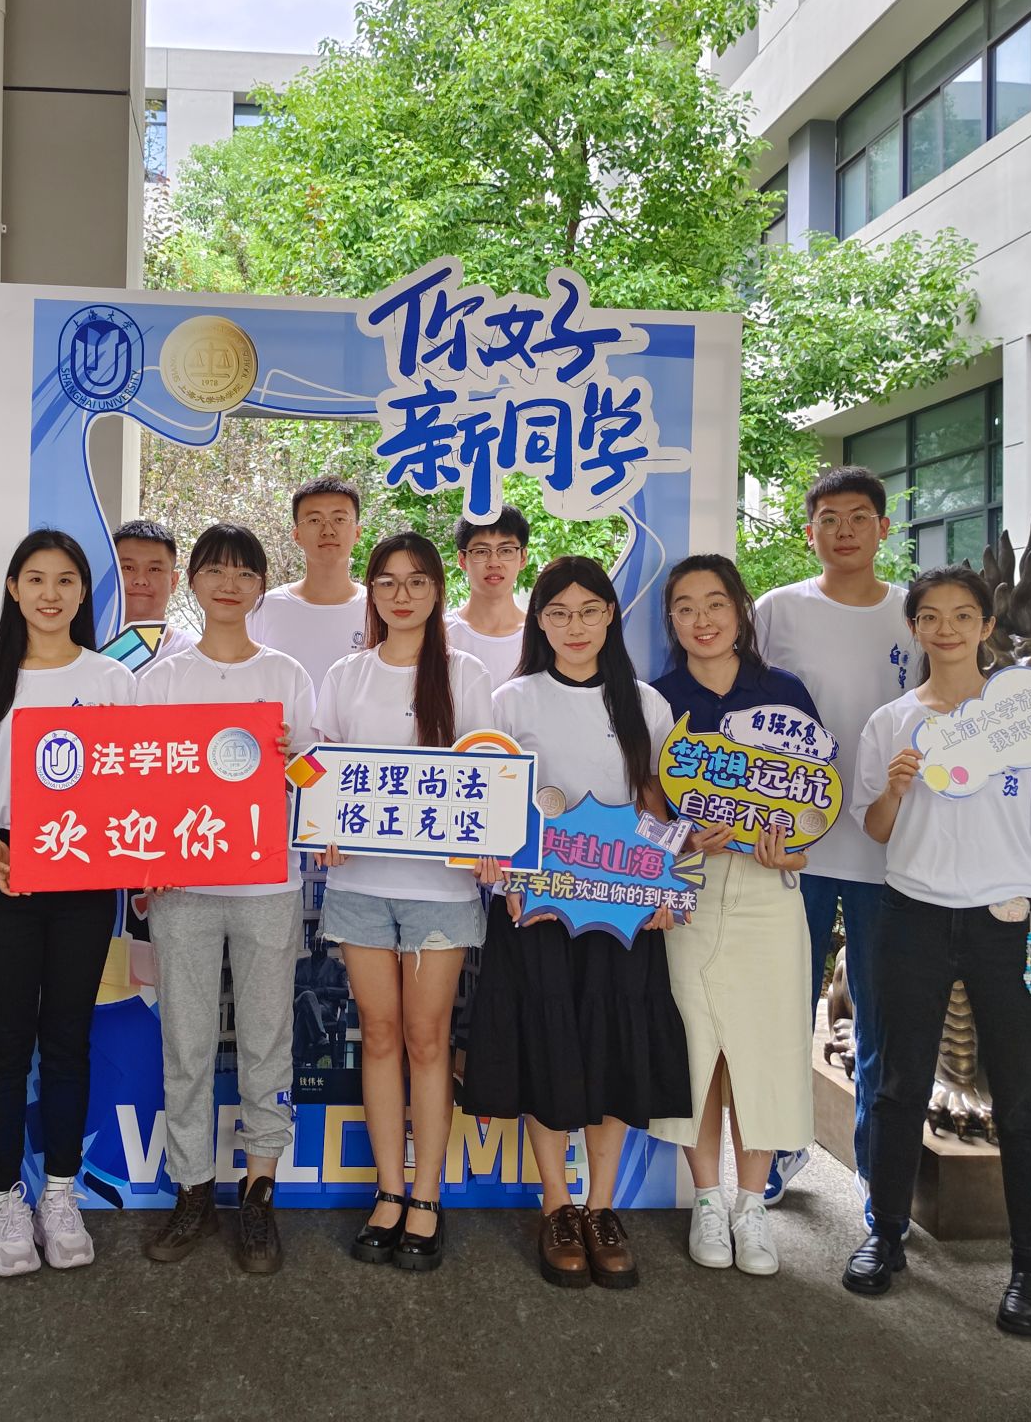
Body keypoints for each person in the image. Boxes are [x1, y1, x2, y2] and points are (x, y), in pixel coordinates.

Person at [846, 564, 1031, 1338]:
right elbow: (875, 830)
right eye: (931, 616)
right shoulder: (892, 722)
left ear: (985, 626)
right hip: (910, 916)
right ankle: (885, 1234)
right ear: (914, 627)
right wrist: (896, 790)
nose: (946, 629)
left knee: (1021, 1098)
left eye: (962, 615)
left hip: (1004, 923)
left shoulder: (1028, 719)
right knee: (900, 1086)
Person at [461, 557, 689, 1289]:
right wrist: (507, 879)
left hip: (624, 913)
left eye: (590, 610)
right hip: (536, 908)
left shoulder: (646, 704)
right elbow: (494, 805)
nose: (575, 626)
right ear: (540, 621)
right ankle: (556, 1206)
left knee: (615, 1045)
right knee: (547, 1044)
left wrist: (663, 889)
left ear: (612, 616)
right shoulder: (511, 700)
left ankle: (602, 1206)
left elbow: (658, 805)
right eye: (558, 613)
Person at [0, 529, 137, 1278]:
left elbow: (139, 783)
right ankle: (5, 1197)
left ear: (83, 594)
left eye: (65, 581)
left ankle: (59, 1192)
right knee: (4, 1044)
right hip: (6, 874)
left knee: (67, 1041)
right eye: (36, 579)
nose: (50, 594)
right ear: (14, 589)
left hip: (86, 880)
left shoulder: (112, 680)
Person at [311, 530, 499, 1272]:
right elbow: (315, 769)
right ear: (372, 591)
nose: (401, 595)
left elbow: (490, 777)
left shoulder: (467, 675)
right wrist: (321, 824)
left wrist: (490, 840)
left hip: (441, 893)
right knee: (379, 1037)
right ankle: (388, 1193)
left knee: (427, 1040)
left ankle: (427, 1197)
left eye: (417, 581)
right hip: (359, 886)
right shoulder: (346, 675)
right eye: (387, 581)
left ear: (437, 591)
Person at [136, 523, 315, 1274]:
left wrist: (294, 759)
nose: (230, 585)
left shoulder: (286, 674)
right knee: (187, 1042)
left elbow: (315, 780)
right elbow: (137, 784)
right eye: (215, 571)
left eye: (244, 573)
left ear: (261, 587)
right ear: (194, 583)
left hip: (268, 884)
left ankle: (259, 1193)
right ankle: (192, 1190)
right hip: (183, 887)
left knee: (268, 1039)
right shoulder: (161, 679)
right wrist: (145, 864)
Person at [647, 554, 820, 1278]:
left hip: (768, 891)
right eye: (685, 607)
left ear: (740, 610)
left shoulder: (784, 693)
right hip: (688, 888)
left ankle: (753, 1207)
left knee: (766, 1044)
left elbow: (814, 802)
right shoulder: (658, 699)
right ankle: (708, 1201)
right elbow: (645, 810)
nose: (702, 620)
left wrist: (791, 848)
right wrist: (679, 840)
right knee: (698, 1047)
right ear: (671, 621)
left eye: (715, 603)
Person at [752, 465, 919, 1214]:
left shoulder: (915, 614)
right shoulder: (776, 611)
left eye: (858, 518)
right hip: (796, 849)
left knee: (882, 1015)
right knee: (785, 1004)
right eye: (828, 518)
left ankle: (876, 1166)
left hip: (892, 849)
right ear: (808, 530)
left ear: (883, 529)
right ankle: (781, 1142)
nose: (843, 531)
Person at [246, 476, 367, 693]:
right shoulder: (264, 608)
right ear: (296, 535)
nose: (328, 530)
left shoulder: (377, 608)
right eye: (314, 520)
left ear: (357, 532)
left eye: (339, 519)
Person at [446, 505, 531, 686]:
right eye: (481, 551)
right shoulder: (440, 632)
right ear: (462, 560)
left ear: (523, 557)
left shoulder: (541, 634)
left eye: (506, 550)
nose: (494, 562)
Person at [112, 518, 197, 669]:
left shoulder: (194, 654)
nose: (140, 580)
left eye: (154, 569)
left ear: (173, 581)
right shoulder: (84, 647)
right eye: (128, 568)